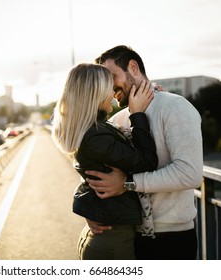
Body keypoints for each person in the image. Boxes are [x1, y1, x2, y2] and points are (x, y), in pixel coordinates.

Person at [85, 45, 203, 260]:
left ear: (133, 67)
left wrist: (127, 183)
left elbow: (189, 173)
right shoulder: (116, 120)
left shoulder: (177, 107)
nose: (108, 87)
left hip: (172, 239)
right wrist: (90, 212)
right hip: (127, 235)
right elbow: (98, 170)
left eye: (112, 76)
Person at [51, 63, 158, 260]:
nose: (112, 93)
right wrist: (137, 115)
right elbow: (148, 162)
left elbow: (89, 180)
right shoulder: (96, 137)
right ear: (96, 93)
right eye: (108, 88)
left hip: (107, 237)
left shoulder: (95, 130)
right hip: (112, 241)